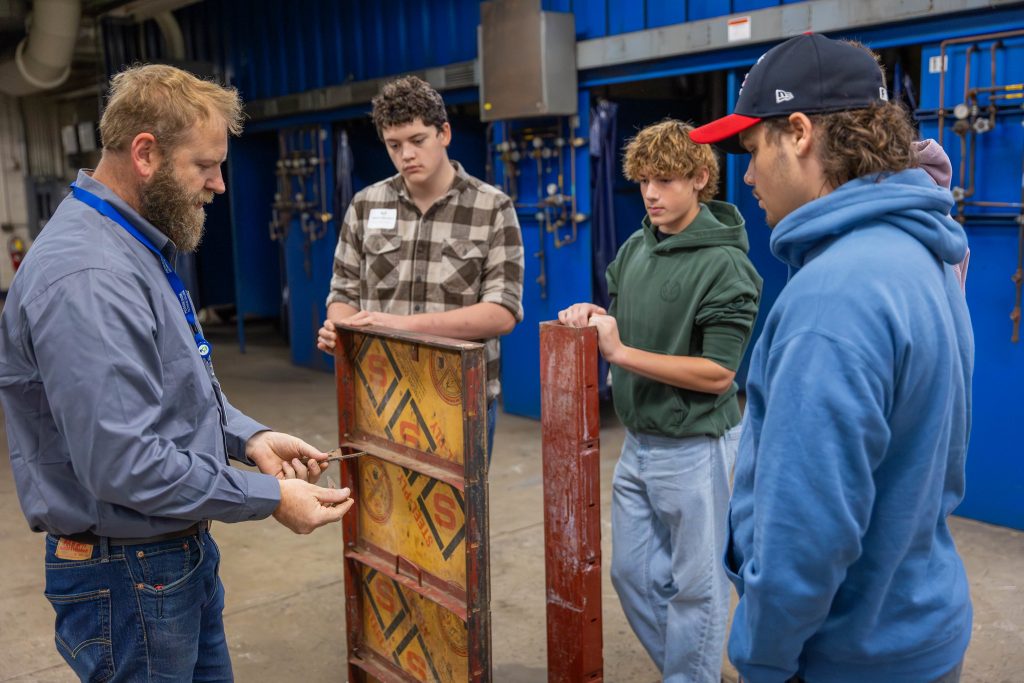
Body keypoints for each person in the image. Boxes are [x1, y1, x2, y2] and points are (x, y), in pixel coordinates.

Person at [0, 64, 354, 682]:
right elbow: (122, 461)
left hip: (166, 557)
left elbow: (171, 386)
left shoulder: (130, 244)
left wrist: (247, 438)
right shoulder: (91, 277)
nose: (219, 184)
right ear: (145, 154)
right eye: (205, 165)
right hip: (126, 574)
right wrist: (270, 496)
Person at [690, 34, 972, 683]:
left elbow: (805, 537)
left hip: (849, 654)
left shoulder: (835, 294)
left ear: (798, 132)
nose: (749, 174)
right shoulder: (924, 252)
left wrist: (761, 658)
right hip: (921, 622)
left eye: (753, 149)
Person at [559, 119, 762, 682]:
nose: (651, 193)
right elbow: (625, 325)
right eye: (644, 180)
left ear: (700, 178)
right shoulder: (636, 248)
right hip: (640, 442)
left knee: (698, 589)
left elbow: (720, 374)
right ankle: (692, 672)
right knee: (632, 574)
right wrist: (594, 316)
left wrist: (619, 353)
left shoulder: (726, 266)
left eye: (666, 179)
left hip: (697, 445)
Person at [316, 76, 524, 458]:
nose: (406, 155)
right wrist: (341, 330)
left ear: (443, 133)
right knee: (382, 514)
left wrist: (398, 326)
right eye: (394, 145)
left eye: (417, 140)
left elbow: (502, 312)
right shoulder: (366, 205)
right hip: (380, 396)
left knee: (460, 518)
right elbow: (343, 291)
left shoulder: (492, 208)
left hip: (459, 400)